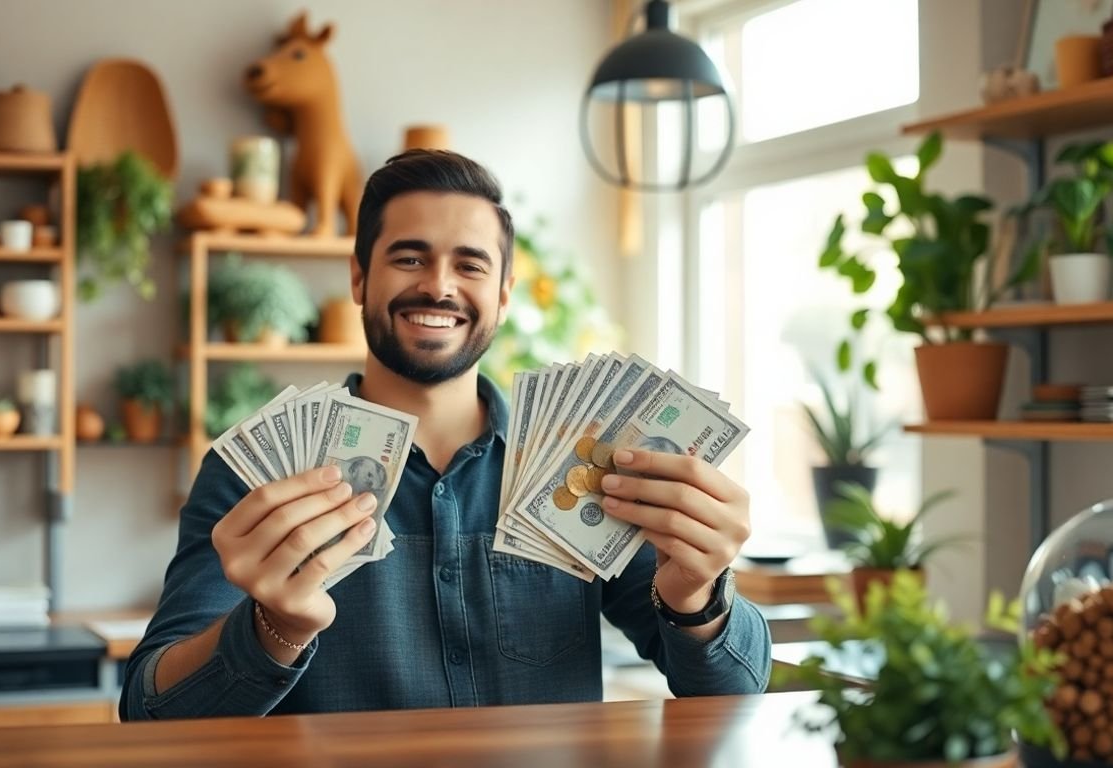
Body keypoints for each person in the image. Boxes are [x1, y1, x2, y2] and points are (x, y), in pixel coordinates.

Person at [120, 150, 771, 720]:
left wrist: (695, 597)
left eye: (470, 265)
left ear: (504, 294)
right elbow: (151, 711)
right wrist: (273, 629)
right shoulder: (253, 477)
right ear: (358, 278)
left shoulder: (583, 470)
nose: (438, 285)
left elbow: (734, 692)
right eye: (410, 257)